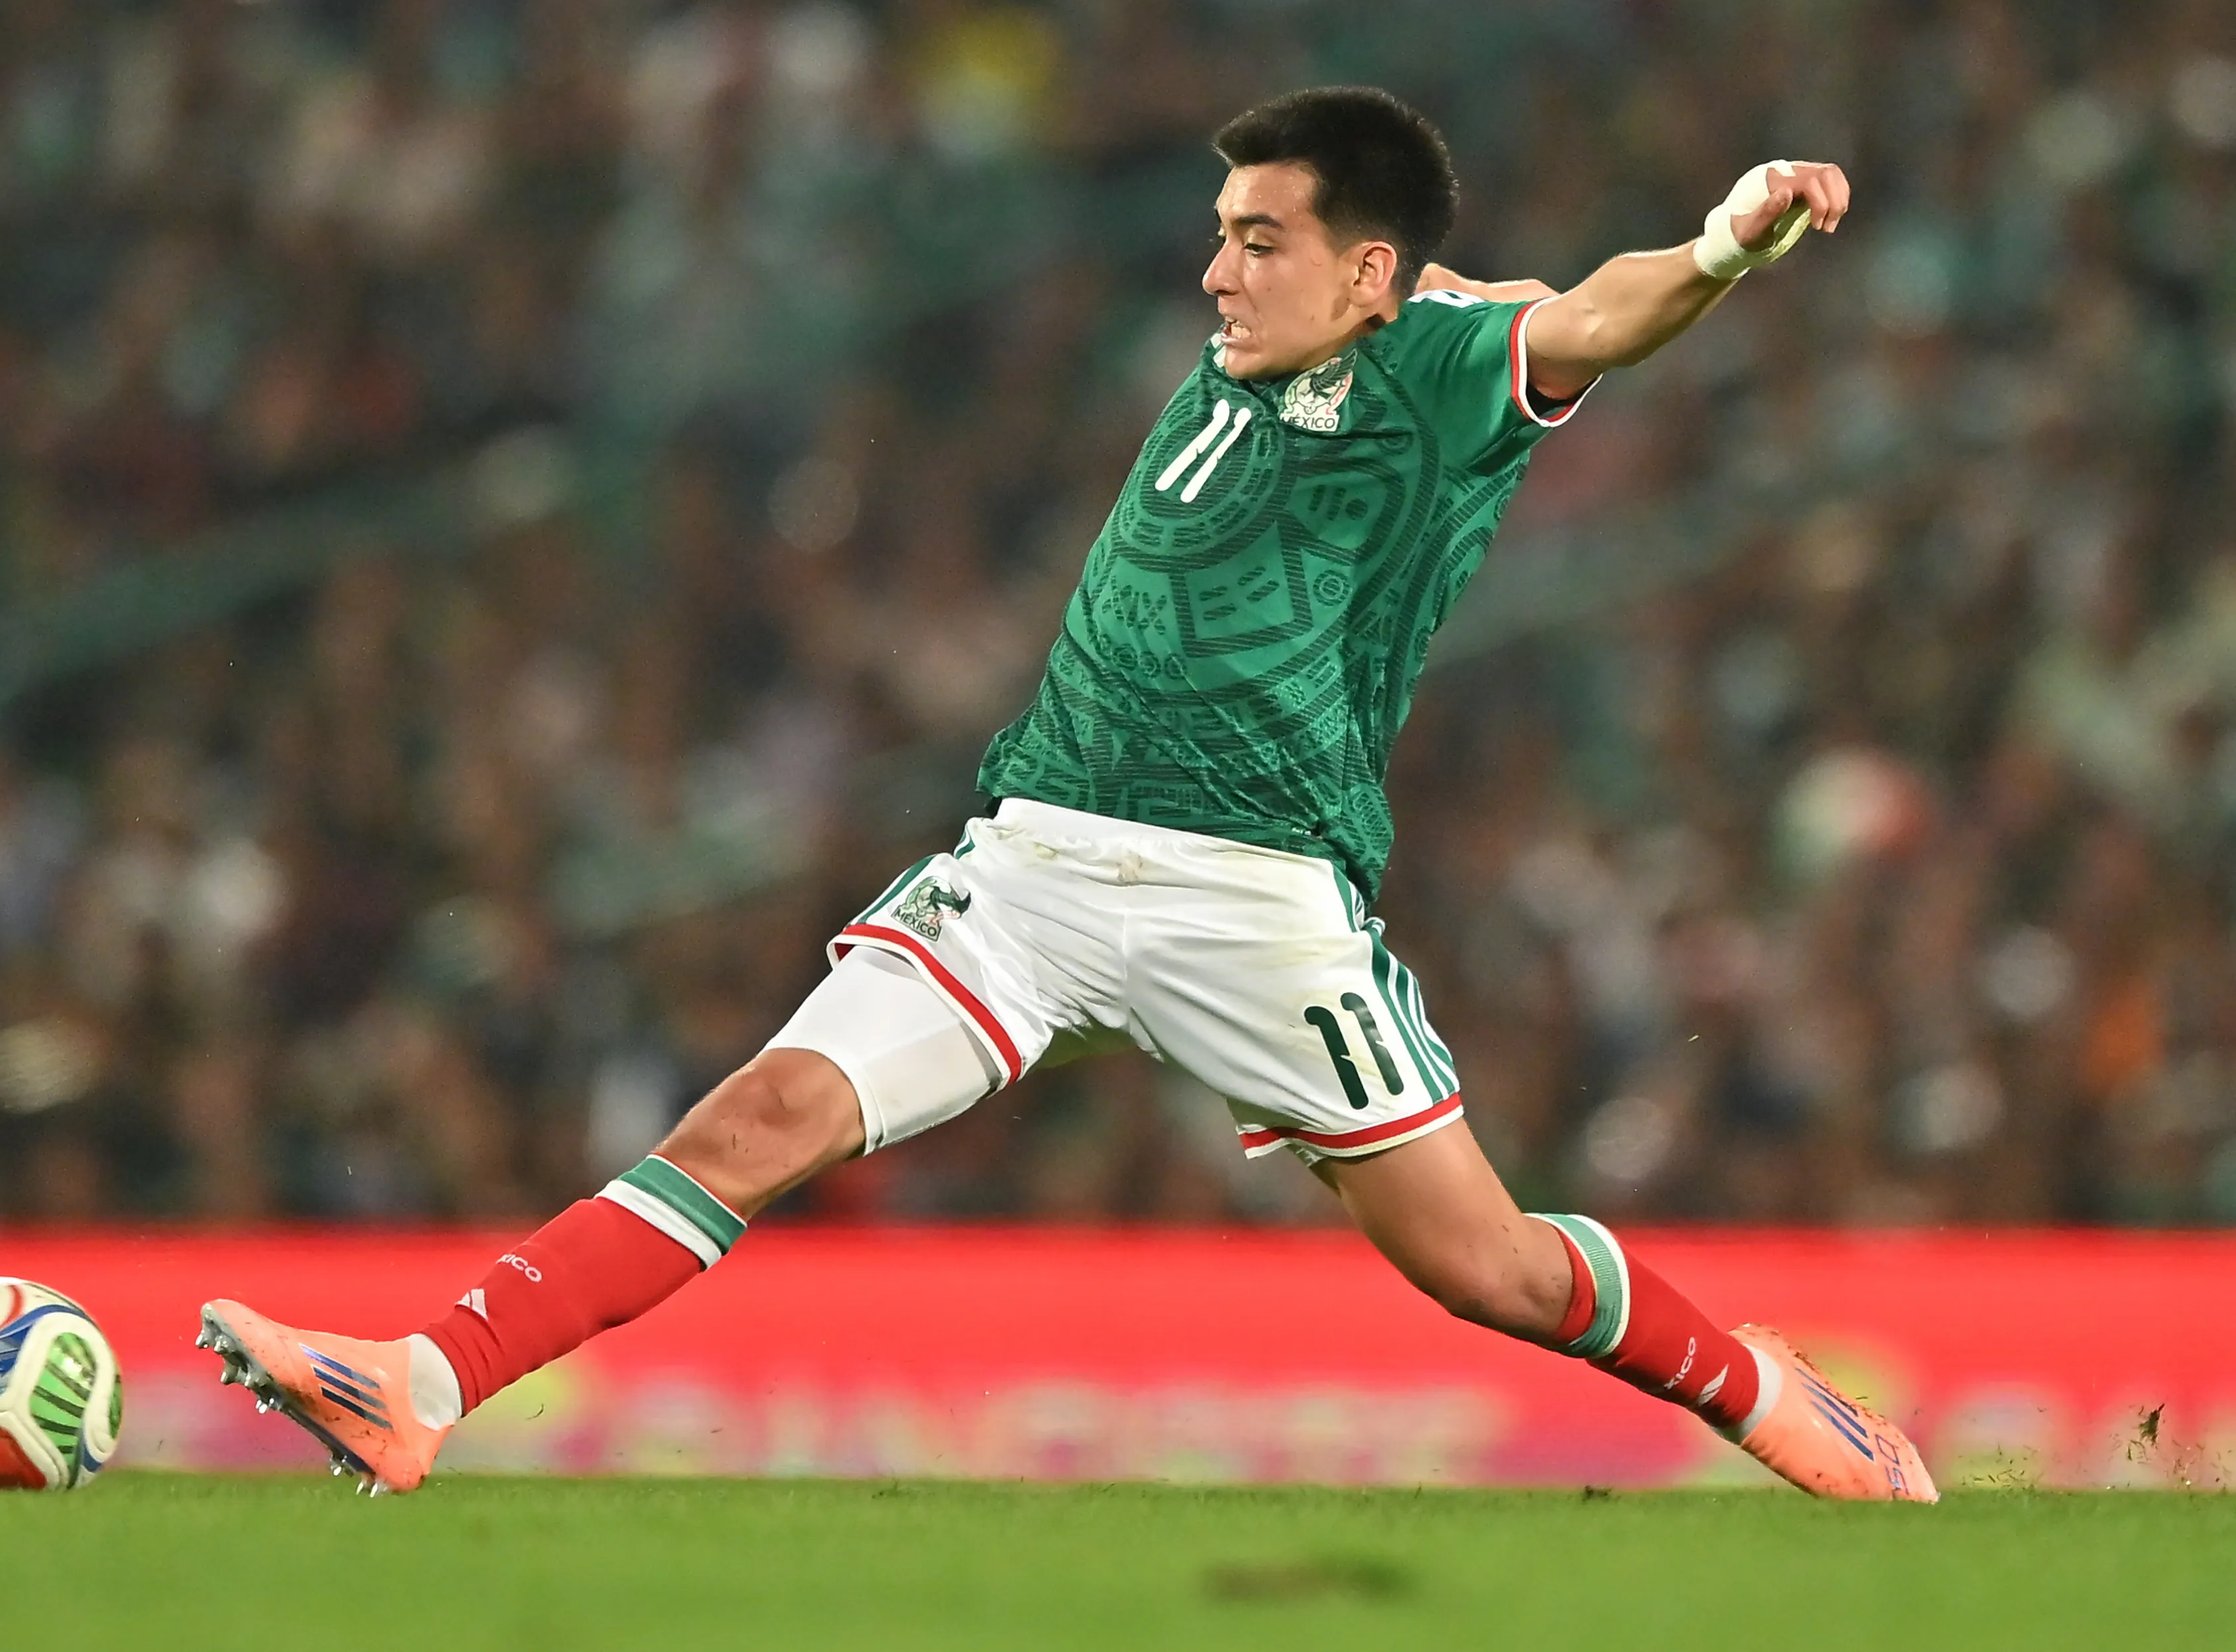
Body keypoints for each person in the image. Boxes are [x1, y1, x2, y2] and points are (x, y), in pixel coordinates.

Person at [199, 86, 1935, 1502]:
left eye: (1262, 242)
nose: (1217, 275)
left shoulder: (1446, 370)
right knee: (754, 1125)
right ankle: (423, 1382)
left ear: (1371, 270)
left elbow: (1604, 312)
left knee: (1486, 1269)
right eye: (1219, 236)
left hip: (1254, 896)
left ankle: (1776, 1403)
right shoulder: (1263, 355)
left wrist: (1725, 241)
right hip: (1032, 865)